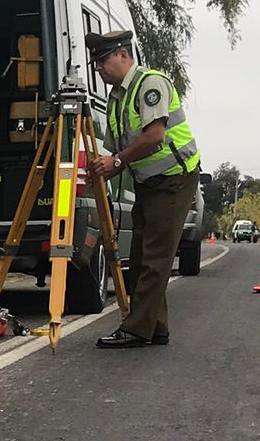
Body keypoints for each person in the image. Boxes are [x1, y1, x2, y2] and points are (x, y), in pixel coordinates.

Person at [84, 29, 202, 349]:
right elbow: (119, 149)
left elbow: (154, 136)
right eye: (95, 64)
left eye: (103, 60)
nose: (98, 69)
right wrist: (103, 168)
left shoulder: (150, 83)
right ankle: (156, 327)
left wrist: (116, 164)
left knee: (155, 259)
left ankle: (136, 328)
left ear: (123, 54)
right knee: (138, 260)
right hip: (149, 183)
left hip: (175, 178)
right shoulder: (116, 98)